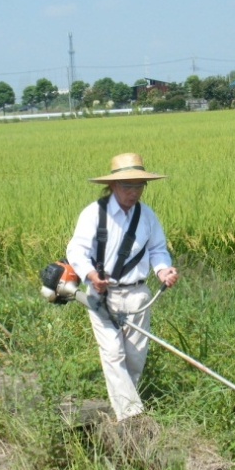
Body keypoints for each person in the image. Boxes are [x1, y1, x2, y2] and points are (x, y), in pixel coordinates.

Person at [66, 153, 180, 422]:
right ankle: (132, 418)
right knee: (113, 353)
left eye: (139, 185)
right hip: (101, 294)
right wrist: (92, 275)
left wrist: (164, 270)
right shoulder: (94, 213)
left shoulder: (147, 215)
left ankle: (125, 405)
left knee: (135, 358)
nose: (134, 192)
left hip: (138, 294)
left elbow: (157, 249)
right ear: (114, 186)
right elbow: (76, 250)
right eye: (128, 185)